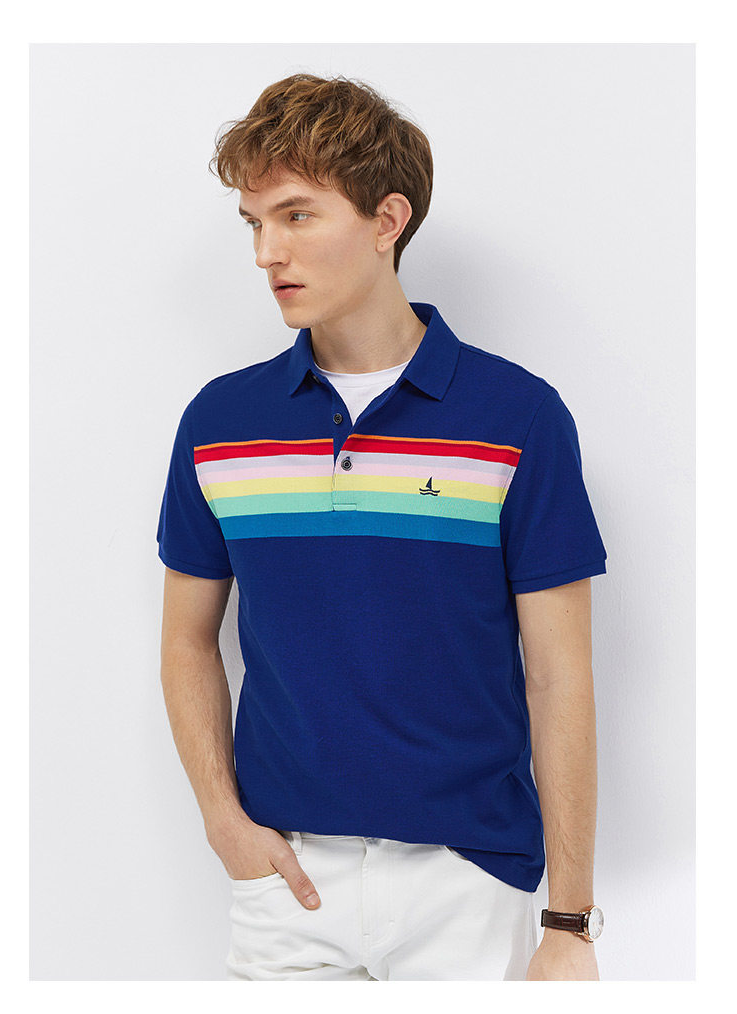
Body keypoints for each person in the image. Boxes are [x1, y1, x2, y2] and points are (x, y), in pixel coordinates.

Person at [156, 73, 608, 981]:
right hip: (286, 885)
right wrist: (222, 821)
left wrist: (568, 919)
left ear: (387, 219)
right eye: (254, 223)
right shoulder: (220, 422)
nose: (267, 252)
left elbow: (559, 674)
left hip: (467, 882)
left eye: (296, 215)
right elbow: (186, 640)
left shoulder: (518, 417)